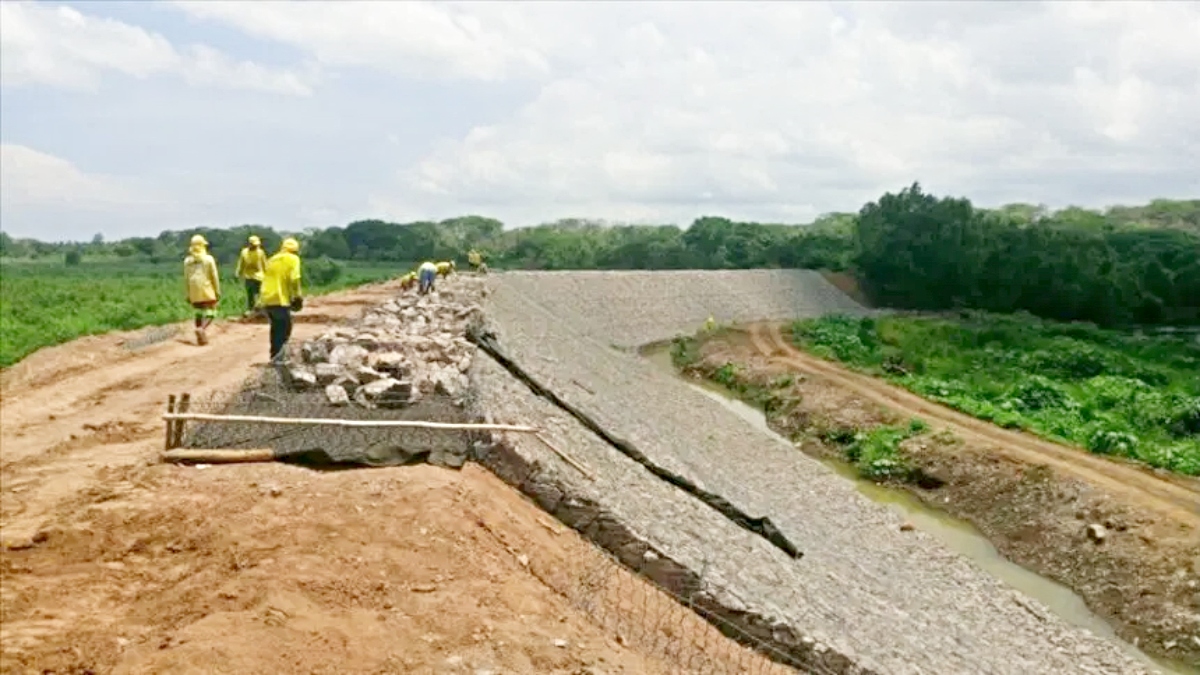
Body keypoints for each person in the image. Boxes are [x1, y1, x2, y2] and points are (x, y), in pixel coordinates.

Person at [259, 238, 304, 363]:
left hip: (267, 297)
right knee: (285, 328)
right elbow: (294, 278)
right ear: (295, 250)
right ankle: (279, 358)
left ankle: (274, 355)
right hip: (280, 298)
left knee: (276, 328)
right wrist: (297, 296)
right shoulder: (293, 259)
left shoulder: (272, 259)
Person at [184, 234, 221, 346]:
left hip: (193, 288)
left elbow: (186, 277)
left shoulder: (187, 260)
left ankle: (200, 338)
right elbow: (214, 276)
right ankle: (202, 329)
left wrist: (188, 293)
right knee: (211, 312)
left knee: (198, 313)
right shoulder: (209, 259)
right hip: (206, 287)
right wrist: (217, 291)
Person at [236, 235, 268, 315]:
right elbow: (241, 263)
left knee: (261, 293)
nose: (255, 246)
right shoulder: (244, 252)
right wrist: (238, 272)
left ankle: (261, 309)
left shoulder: (260, 252)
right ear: (249, 244)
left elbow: (264, 264)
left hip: (259, 276)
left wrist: (268, 274)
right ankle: (251, 309)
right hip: (249, 276)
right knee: (250, 294)